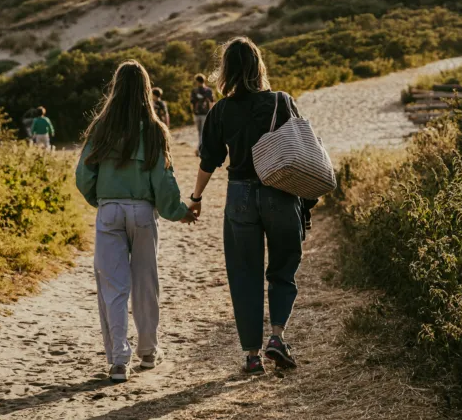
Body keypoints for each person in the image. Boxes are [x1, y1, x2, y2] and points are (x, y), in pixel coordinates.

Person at [187, 36, 307, 375]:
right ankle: (278, 338)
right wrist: (306, 204)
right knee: (283, 267)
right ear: (259, 66)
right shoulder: (282, 102)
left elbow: (209, 160)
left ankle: (252, 356)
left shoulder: (220, 110)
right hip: (280, 193)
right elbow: (301, 153)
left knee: (244, 274)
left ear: (226, 70)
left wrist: (196, 199)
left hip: (239, 196)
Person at [75, 60, 197, 383]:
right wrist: (179, 210)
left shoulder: (101, 128)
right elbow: (164, 182)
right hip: (143, 213)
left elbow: (83, 176)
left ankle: (118, 361)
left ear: (115, 89)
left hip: (109, 211)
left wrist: (100, 201)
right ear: (146, 90)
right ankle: (148, 351)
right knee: (146, 283)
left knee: (114, 287)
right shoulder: (155, 129)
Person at [189, 74, 214, 154]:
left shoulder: (207, 90)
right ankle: (202, 148)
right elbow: (192, 103)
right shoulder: (195, 91)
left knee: (202, 132)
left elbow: (211, 102)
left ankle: (200, 150)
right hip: (199, 114)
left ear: (198, 81)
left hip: (204, 114)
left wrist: (211, 114)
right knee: (200, 132)